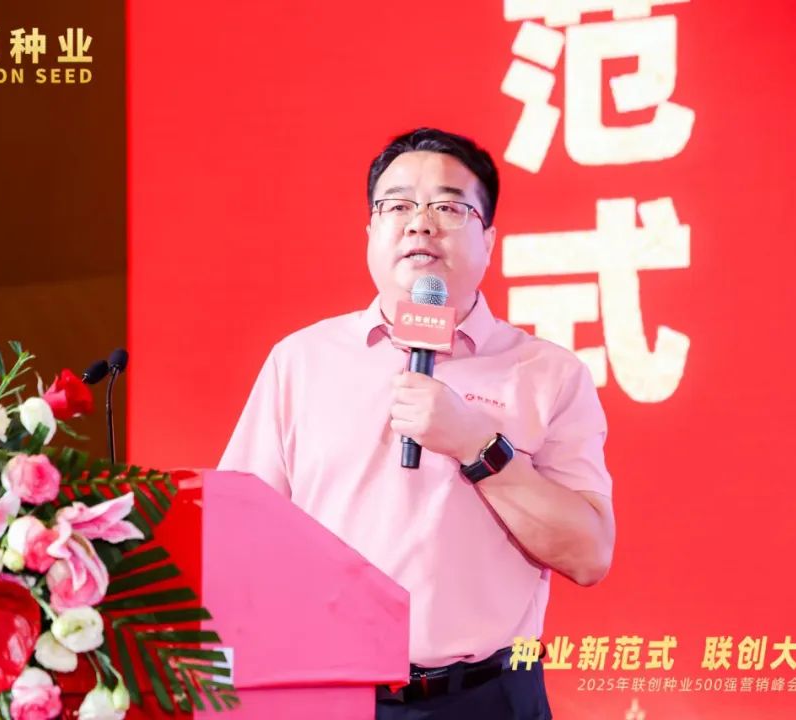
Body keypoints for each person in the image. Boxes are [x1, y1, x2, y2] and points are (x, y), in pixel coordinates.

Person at [219, 128, 615, 719]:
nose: (420, 224)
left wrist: (477, 445)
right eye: (398, 205)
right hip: (327, 695)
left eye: (449, 208)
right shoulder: (300, 362)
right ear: (371, 232)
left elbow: (589, 554)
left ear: (489, 239)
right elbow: (239, 538)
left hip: (487, 698)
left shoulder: (547, 372)